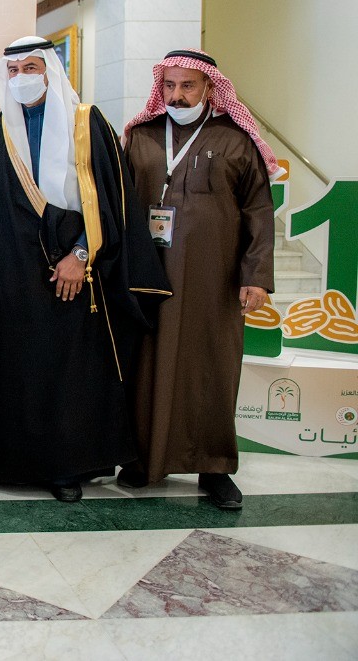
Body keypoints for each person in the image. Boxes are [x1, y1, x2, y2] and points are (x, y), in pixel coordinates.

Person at [0, 37, 169, 502]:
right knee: (9, 368)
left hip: (71, 275)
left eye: (30, 68)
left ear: (50, 71)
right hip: (10, 276)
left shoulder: (86, 123)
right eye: (13, 70)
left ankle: (64, 469)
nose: (21, 78)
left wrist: (80, 255)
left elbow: (113, 198)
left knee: (66, 373)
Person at [118, 49, 276, 509]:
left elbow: (259, 211)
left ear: (209, 86)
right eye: (169, 85)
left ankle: (215, 467)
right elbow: (119, 205)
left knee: (212, 366)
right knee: (145, 364)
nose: (177, 95)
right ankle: (142, 459)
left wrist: (256, 276)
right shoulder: (141, 137)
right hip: (148, 276)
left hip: (214, 278)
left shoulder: (234, 140)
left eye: (187, 85)